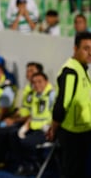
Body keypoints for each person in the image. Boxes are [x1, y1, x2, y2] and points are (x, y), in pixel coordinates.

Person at [46, 32, 91, 178]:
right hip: (73, 133)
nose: (90, 52)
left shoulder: (82, 68)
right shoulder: (71, 71)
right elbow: (61, 105)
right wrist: (54, 129)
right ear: (75, 48)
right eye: (86, 48)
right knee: (72, 172)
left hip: (83, 131)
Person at [11, 72, 55, 176]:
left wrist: (51, 128)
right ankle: (23, 164)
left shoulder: (52, 95)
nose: (37, 85)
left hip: (46, 130)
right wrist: (25, 127)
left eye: (40, 82)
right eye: (34, 82)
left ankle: (33, 164)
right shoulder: (35, 95)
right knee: (13, 135)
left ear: (46, 82)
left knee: (26, 141)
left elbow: (57, 115)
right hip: (34, 127)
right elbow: (33, 115)